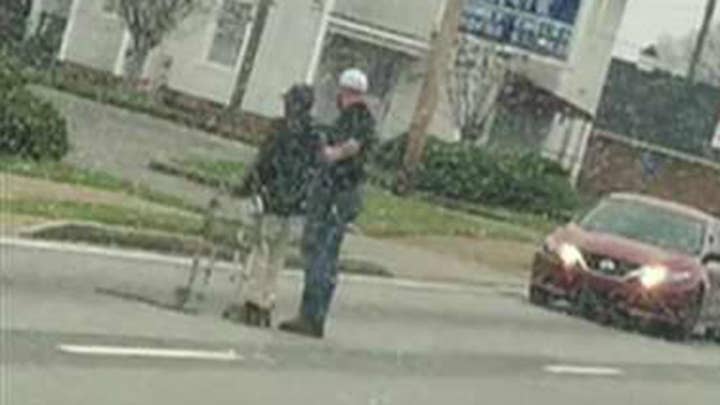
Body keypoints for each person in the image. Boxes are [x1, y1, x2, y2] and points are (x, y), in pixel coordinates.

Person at [279, 68, 376, 338]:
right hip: (339, 193)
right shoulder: (356, 118)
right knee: (324, 254)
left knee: (320, 253)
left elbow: (352, 145)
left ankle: (311, 316)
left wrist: (330, 154)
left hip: (337, 194)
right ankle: (312, 315)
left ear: (345, 91)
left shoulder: (358, 117)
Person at [224, 84, 318, 327]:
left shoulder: (280, 130)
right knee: (278, 255)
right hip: (297, 205)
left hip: (273, 199)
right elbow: (316, 170)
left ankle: (253, 302)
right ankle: (267, 300)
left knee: (260, 250)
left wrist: (245, 188)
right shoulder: (315, 135)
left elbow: (264, 163)